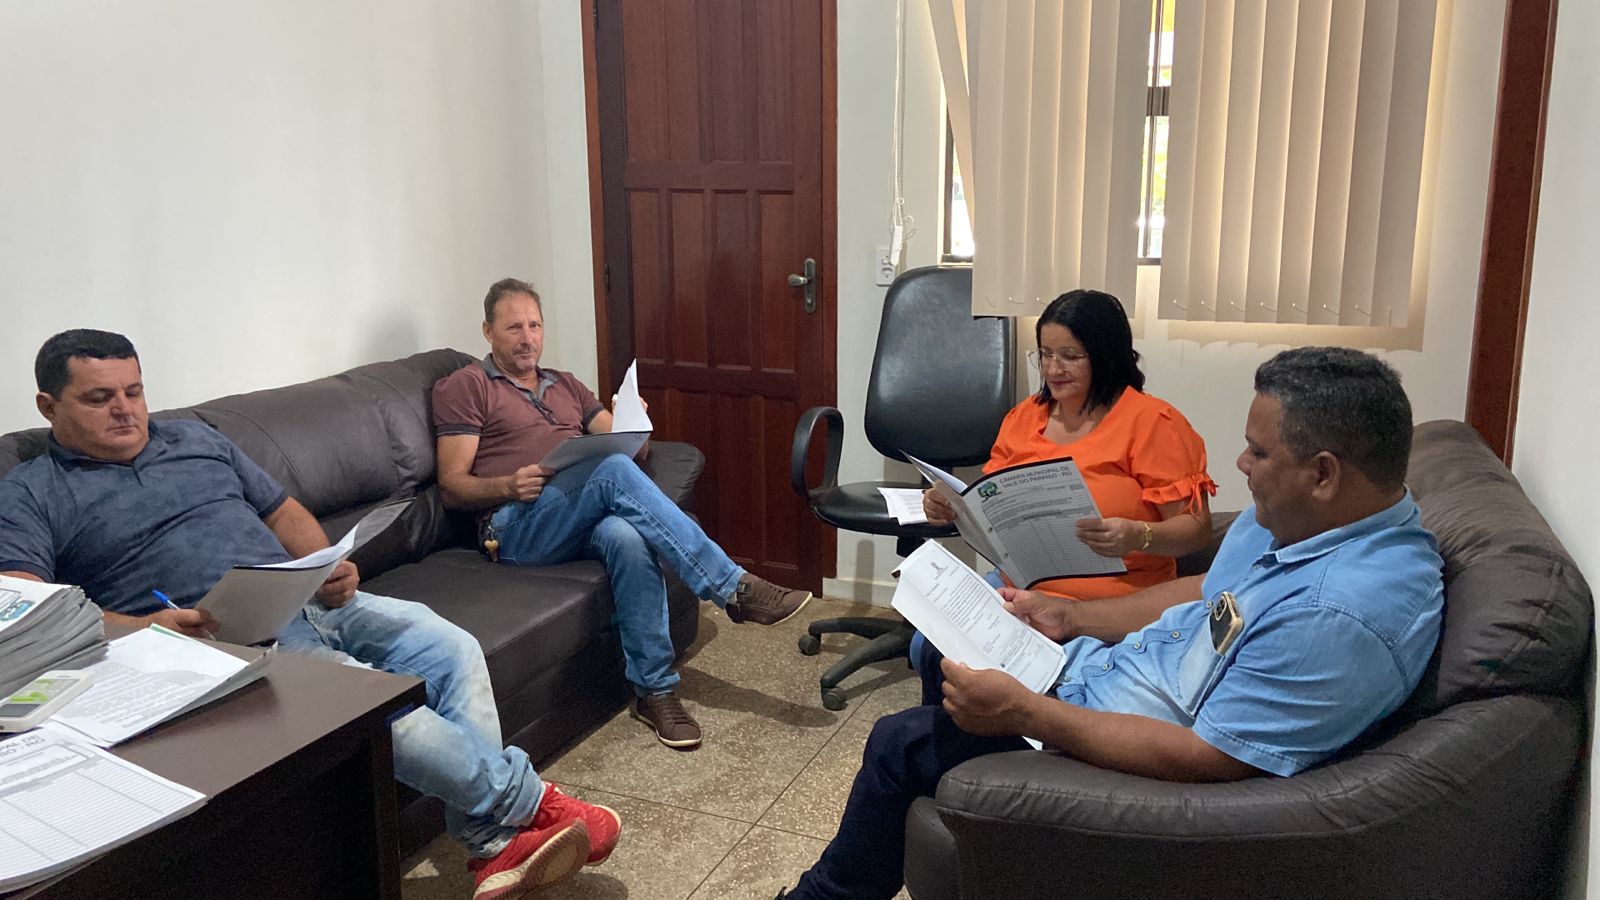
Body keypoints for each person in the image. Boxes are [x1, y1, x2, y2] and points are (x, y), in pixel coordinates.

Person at [783, 347, 1445, 899]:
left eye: (1257, 453)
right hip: (1107, 672)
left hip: (1123, 745)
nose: (1241, 465)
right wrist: (1072, 615)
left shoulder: (1337, 615)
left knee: (899, 743)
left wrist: (1026, 714)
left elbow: (1211, 759)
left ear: (1324, 474)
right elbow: (1205, 590)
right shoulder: (1303, 523)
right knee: (940, 651)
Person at [0, 330, 618, 900]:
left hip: (307, 596)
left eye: (134, 392)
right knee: (380, 702)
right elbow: (29, 608)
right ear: (48, 406)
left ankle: (491, 842)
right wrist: (145, 628)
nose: (125, 410)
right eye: (100, 398)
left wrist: (324, 563)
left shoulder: (194, 440)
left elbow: (282, 510)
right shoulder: (31, 491)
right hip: (224, 641)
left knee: (451, 648)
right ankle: (527, 803)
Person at [432, 277, 813, 750]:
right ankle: (733, 587)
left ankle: (654, 691)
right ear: (488, 331)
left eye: (534, 325)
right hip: (514, 523)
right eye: (513, 328)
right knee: (609, 471)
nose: (527, 338)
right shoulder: (467, 386)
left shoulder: (566, 384)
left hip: (575, 513)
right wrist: (508, 485)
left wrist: (634, 420)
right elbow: (452, 486)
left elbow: (633, 449)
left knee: (627, 537)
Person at [923, 289, 1216, 601]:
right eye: (1045, 354)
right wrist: (952, 507)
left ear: (1106, 356)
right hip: (1019, 588)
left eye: (1070, 356)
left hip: (1113, 602)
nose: (1052, 369)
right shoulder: (1024, 417)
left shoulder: (1154, 422)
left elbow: (1196, 531)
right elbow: (991, 505)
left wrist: (1140, 536)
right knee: (932, 619)